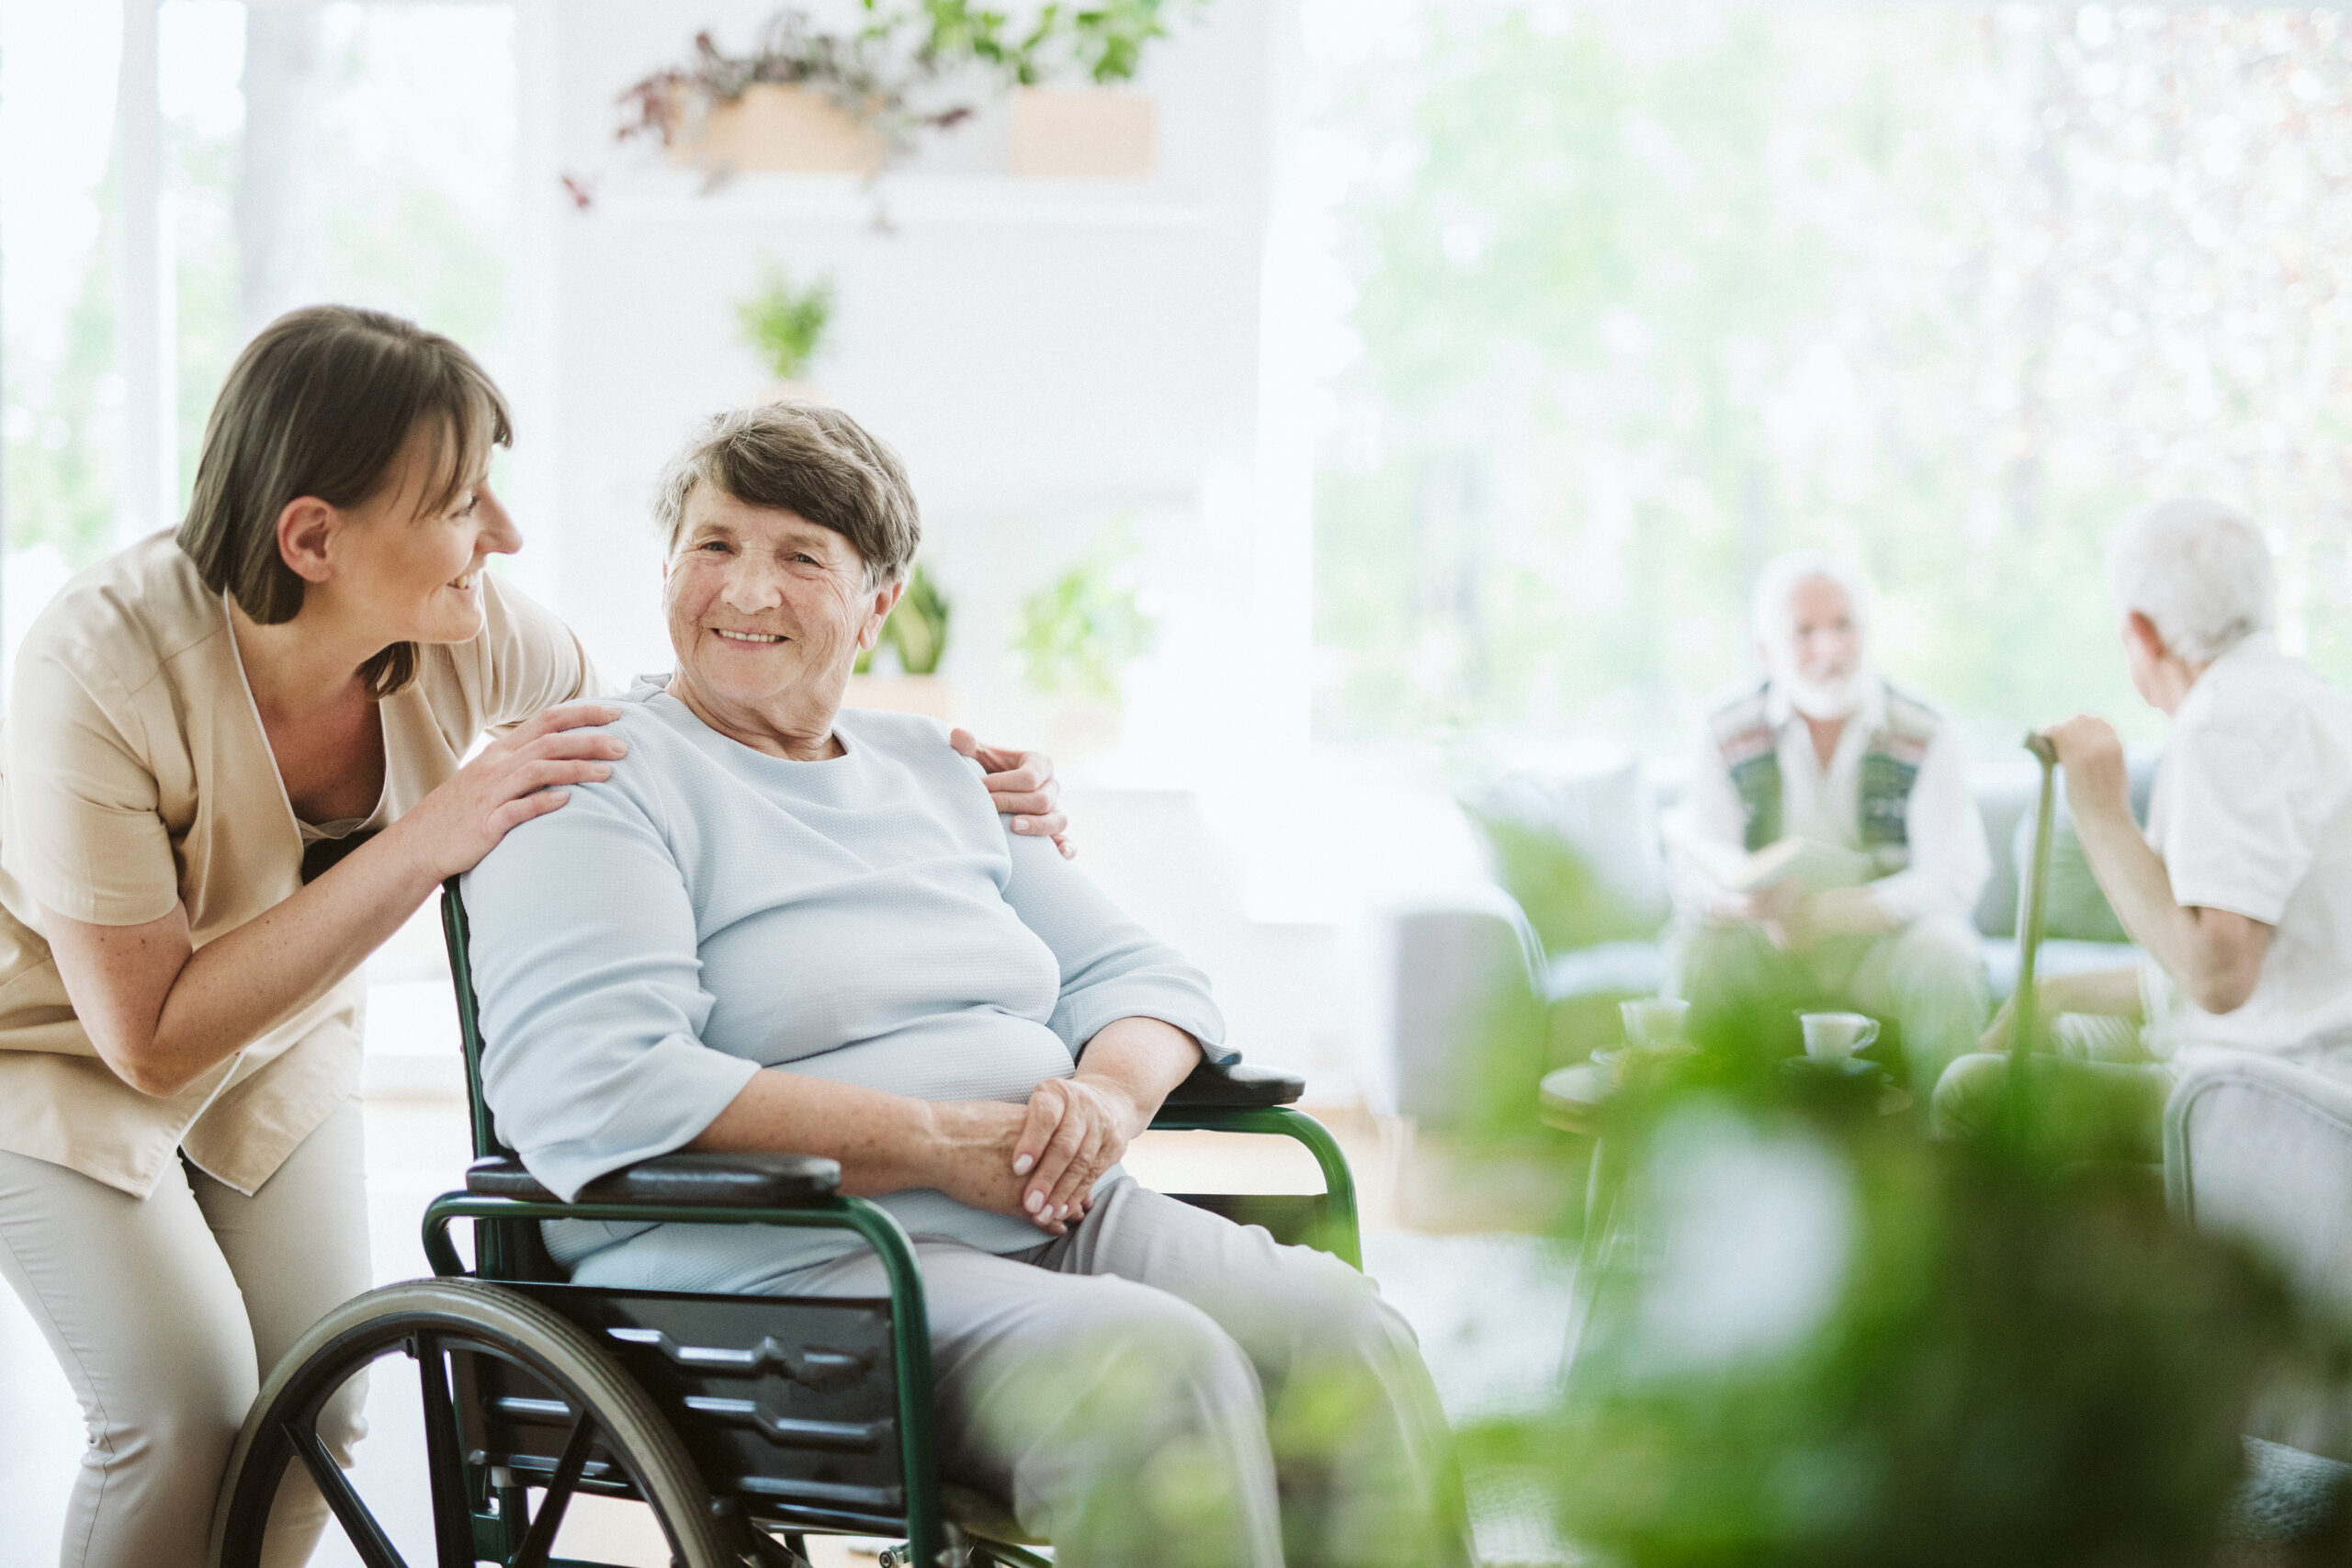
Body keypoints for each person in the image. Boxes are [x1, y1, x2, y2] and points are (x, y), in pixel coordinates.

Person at [0, 306, 1067, 1568]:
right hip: (60, 1051)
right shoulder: (96, 671)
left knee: (317, 1399)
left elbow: (667, 759)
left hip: (278, 1041)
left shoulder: (482, 629)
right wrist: (428, 837)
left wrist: (911, 786)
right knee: (180, 1411)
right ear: (314, 538)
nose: (502, 534)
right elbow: (149, 1036)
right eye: (460, 502)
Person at [463, 401, 1476, 1568]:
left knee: (1343, 1332)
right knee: (1150, 1375)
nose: (745, 592)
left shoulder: (934, 773)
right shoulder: (597, 779)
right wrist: (946, 1144)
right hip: (782, 1265)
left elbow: (1143, 977)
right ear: (667, 565)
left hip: (1041, 1214)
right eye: (715, 545)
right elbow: (601, 1087)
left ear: (877, 605)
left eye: (801, 558)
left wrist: (1102, 1102)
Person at [1932, 499, 2352, 1159]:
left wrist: (2100, 812)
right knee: (2054, 1028)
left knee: (1970, 1087)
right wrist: (2056, 991)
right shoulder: (2315, 701)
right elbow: (2273, 975)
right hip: (2309, 1073)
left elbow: (2218, 977)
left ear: (2141, 632)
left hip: (2263, 1098)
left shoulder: (2224, 722)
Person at [1670, 552, 1992, 1089]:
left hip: (1883, 947)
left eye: (1844, 626)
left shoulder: (1926, 729)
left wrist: (1838, 914)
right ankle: (1699, 1151)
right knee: (1700, 952)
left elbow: (1955, 876)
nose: (1831, 650)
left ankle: (1954, 1148)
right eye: (1804, 632)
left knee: (1948, 954)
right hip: (1765, 943)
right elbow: (1697, 867)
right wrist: (1742, 904)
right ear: (1765, 651)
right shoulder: (1723, 728)